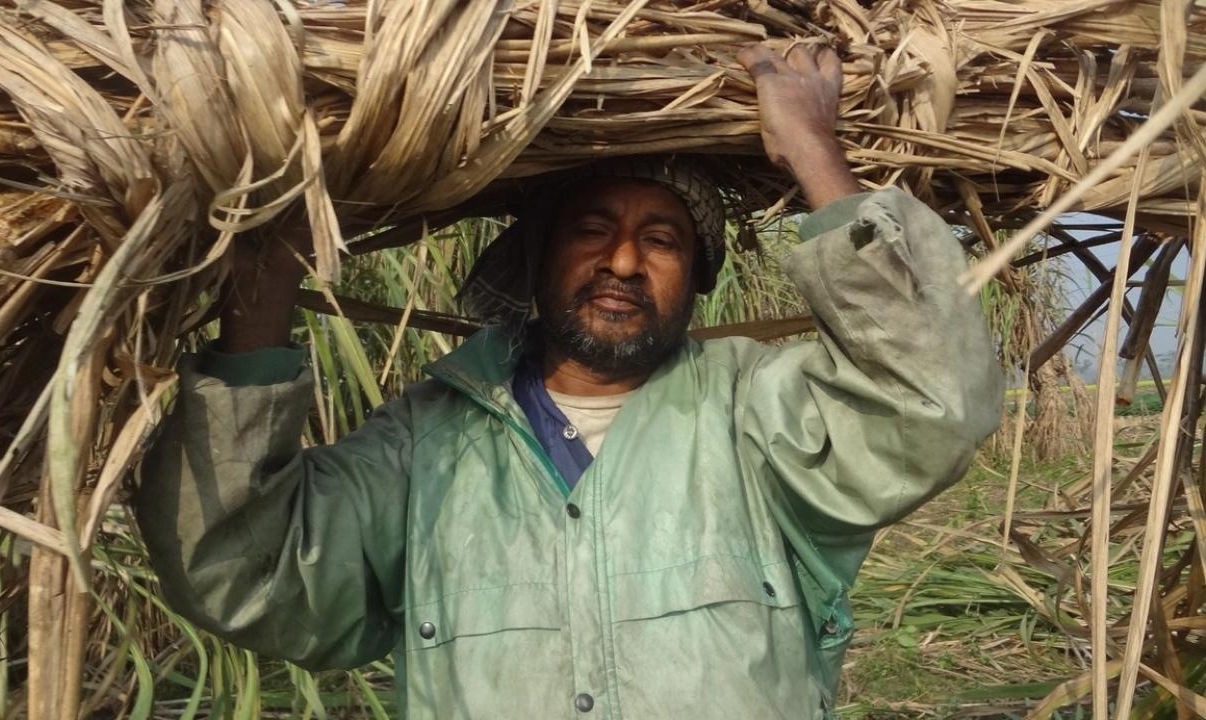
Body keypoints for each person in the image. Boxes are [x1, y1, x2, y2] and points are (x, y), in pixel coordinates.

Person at [137, 44, 1003, 719]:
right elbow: (241, 571)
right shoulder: (426, 445)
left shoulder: (753, 413)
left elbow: (932, 403)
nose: (623, 260)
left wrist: (814, 151)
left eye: (662, 241)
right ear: (540, 258)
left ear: (696, 278)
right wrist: (264, 287)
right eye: (592, 229)